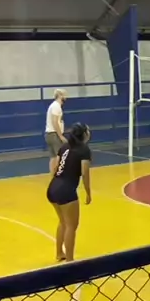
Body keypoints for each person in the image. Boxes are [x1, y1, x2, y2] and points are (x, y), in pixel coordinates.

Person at [46, 123, 92, 262]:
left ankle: (59, 253)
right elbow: (85, 173)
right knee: (71, 226)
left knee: (63, 222)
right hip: (66, 190)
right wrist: (88, 192)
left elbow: (56, 167)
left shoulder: (64, 147)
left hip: (53, 187)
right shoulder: (84, 150)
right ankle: (70, 261)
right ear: (84, 134)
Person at [45, 89, 67, 174]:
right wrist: (60, 136)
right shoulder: (56, 106)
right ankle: (59, 174)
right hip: (54, 134)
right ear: (60, 95)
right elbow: (55, 122)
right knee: (59, 156)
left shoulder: (54, 106)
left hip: (49, 134)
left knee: (53, 156)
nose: (66, 97)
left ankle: (53, 175)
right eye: (64, 95)